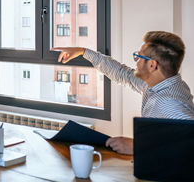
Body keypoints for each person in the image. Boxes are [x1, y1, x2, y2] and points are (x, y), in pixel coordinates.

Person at [54, 31, 194, 155]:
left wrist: (137, 146)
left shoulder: (169, 102)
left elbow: (188, 145)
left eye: (139, 57)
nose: (136, 62)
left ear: (152, 65)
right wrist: (83, 51)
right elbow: (122, 73)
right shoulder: (162, 83)